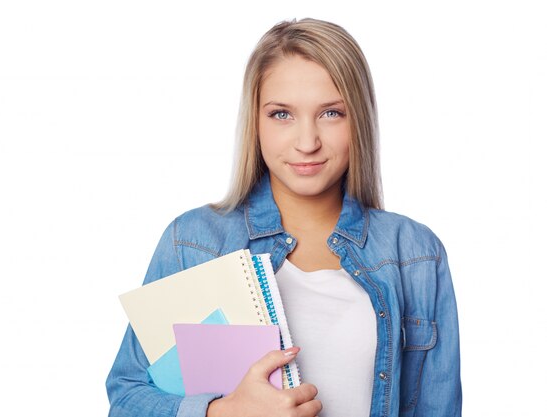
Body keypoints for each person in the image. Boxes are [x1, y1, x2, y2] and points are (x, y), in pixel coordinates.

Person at [106, 17, 462, 417]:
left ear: (359, 119)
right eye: (281, 114)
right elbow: (126, 399)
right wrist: (223, 412)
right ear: (255, 122)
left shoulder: (415, 254)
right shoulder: (193, 243)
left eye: (331, 113)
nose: (307, 142)